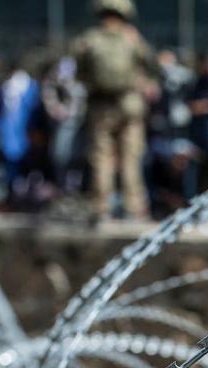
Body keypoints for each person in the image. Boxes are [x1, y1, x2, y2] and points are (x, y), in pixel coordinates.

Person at [72, 0, 156, 223]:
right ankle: (134, 207)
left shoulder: (89, 39)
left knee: (101, 157)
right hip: (130, 105)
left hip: (100, 107)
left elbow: (79, 73)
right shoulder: (132, 38)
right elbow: (150, 63)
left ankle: (101, 208)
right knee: (131, 157)